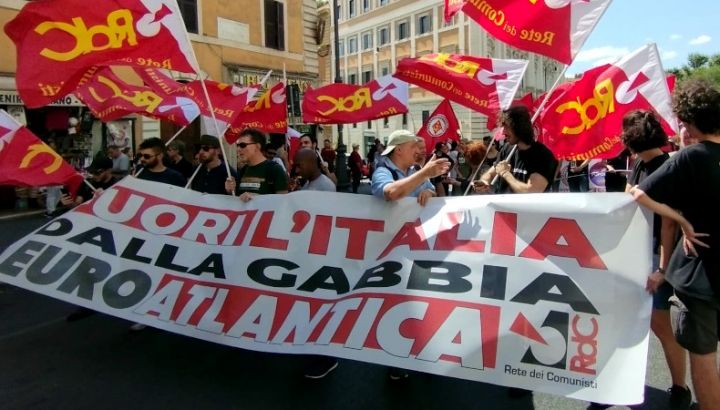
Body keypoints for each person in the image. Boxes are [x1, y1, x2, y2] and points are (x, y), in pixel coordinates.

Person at [630, 80, 720, 410]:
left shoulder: (691, 157)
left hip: (700, 276)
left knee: (704, 356)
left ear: (690, 121)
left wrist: (681, 219)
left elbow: (639, 194)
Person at [619, 110, 691, 408]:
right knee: (636, 321)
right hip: (636, 252)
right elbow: (630, 198)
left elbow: (668, 226)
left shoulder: (666, 167)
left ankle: (680, 387)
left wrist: (662, 269)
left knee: (661, 325)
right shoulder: (640, 163)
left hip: (656, 255)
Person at [370, 129, 449, 380]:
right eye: (414, 146)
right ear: (399, 150)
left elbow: (430, 191)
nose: (419, 151)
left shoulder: (414, 171)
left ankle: (418, 350)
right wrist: (425, 174)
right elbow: (391, 193)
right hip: (390, 253)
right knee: (395, 304)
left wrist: (430, 191)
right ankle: (395, 358)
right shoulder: (383, 172)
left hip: (416, 250)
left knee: (419, 303)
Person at [292, 148, 339, 378]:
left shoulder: (325, 186)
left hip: (320, 255)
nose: (297, 169)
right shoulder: (308, 184)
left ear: (312, 163)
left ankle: (326, 357)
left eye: (300, 165)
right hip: (309, 254)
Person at [61, 156, 119, 322]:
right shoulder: (86, 184)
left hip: (112, 234)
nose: (94, 175)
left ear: (108, 171)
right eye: (92, 172)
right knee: (85, 266)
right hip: (89, 231)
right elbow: (78, 205)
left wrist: (106, 199)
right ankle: (87, 304)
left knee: (110, 266)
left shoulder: (118, 185)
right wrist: (69, 205)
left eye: (98, 172)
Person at [475, 106, 557, 195]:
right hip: (502, 204)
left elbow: (532, 191)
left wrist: (505, 173)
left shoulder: (543, 156)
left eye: (507, 127)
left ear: (519, 128)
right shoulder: (507, 148)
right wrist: (484, 182)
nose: (503, 132)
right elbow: (491, 173)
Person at [225, 128, 289, 202]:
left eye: (242, 145)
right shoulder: (243, 170)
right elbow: (238, 200)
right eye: (237, 145)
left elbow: (283, 202)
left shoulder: (275, 169)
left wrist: (256, 198)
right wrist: (230, 191)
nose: (238, 149)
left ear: (257, 146)